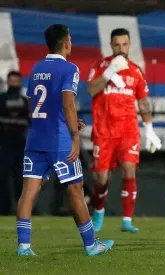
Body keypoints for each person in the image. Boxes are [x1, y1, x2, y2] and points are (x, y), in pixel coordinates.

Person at [16, 24, 114, 256]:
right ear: (66, 42)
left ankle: (24, 246)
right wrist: (74, 136)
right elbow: (68, 104)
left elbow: (33, 107)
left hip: (35, 140)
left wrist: (62, 120)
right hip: (60, 142)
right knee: (75, 190)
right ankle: (91, 245)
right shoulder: (69, 69)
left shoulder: (36, 68)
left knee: (28, 192)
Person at [87, 28, 162, 233]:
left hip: (128, 130)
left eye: (125, 44)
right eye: (117, 44)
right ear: (111, 45)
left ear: (129, 45)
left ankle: (127, 220)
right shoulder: (100, 66)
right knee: (101, 178)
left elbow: (143, 102)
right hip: (104, 131)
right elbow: (91, 89)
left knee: (129, 170)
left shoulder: (136, 71)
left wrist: (149, 128)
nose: (121, 48)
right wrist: (109, 72)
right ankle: (99, 211)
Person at [0, 71, 29, 215]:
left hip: (20, 145)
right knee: (2, 178)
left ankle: (22, 210)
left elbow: (31, 122)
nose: (14, 84)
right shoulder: (1, 99)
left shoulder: (25, 101)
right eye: (11, 81)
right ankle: (3, 209)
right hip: (4, 145)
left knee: (21, 180)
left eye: (16, 81)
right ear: (7, 82)